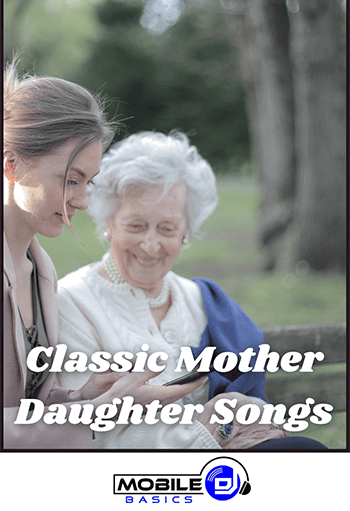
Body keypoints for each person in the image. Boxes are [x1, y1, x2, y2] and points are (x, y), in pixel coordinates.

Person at [57, 131, 327, 450]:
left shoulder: (202, 300)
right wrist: (209, 432)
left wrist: (253, 417)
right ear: (108, 222)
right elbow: (83, 433)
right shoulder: (72, 302)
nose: (151, 244)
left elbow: (250, 402)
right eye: (136, 226)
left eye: (167, 229)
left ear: (186, 231)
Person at [3, 61, 204, 449]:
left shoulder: (40, 272)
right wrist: (97, 415)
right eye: (70, 180)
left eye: (88, 182)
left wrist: (88, 395)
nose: (81, 200)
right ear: (12, 165)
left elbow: (30, 406)